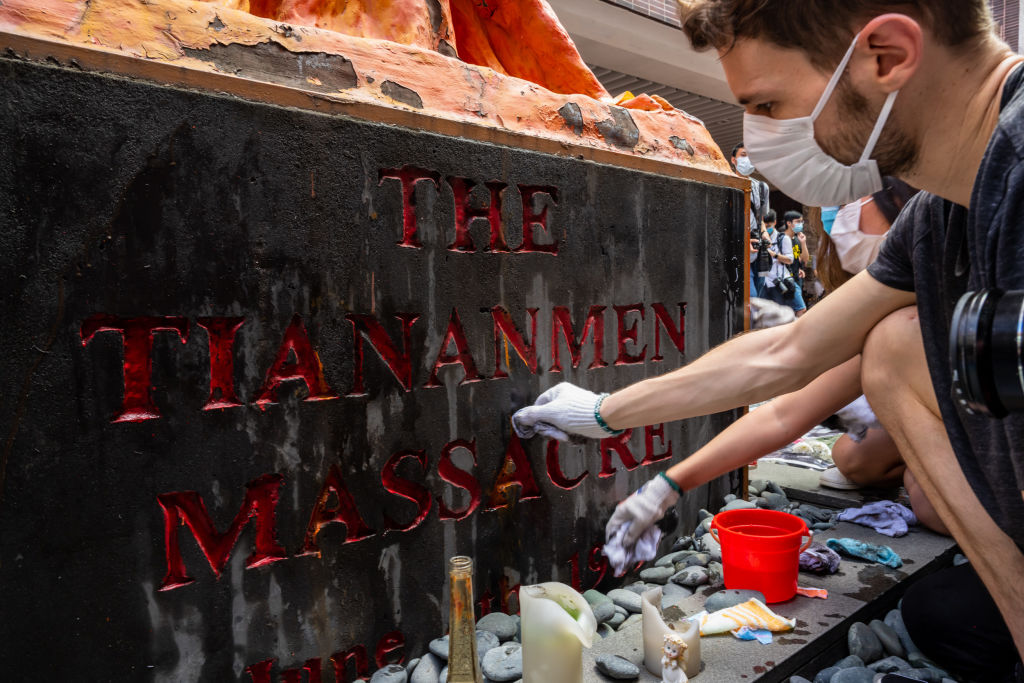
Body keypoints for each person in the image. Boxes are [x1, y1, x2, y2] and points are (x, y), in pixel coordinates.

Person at [512, 3, 1024, 678]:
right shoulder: (937, 218)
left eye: (768, 104)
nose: (759, 136)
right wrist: (603, 413)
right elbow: (791, 351)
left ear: (888, 56)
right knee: (893, 352)